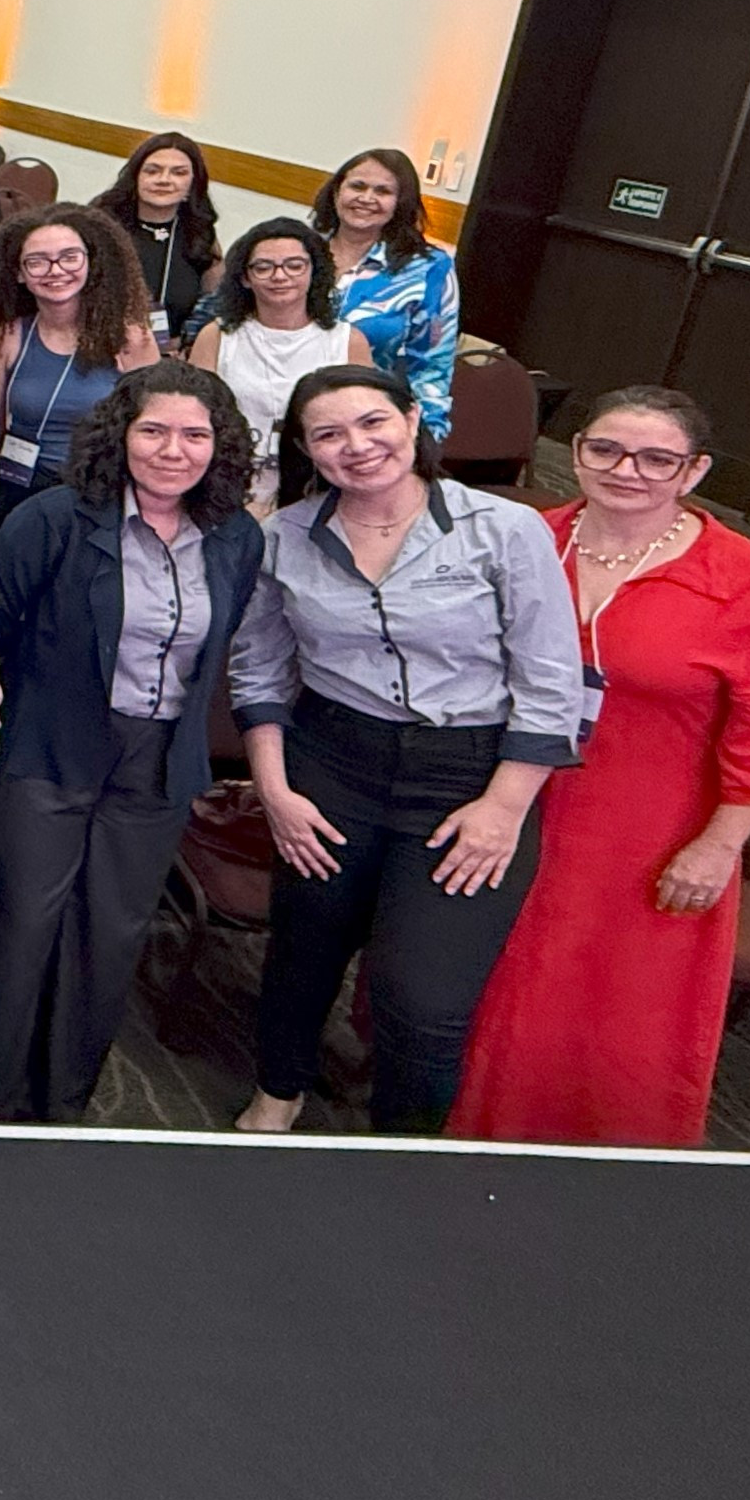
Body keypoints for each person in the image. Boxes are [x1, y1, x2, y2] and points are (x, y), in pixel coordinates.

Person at [455, 389, 750, 1147]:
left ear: (694, 472)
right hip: (503, 798)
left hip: (648, 826)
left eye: (657, 459)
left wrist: (718, 846)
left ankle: (598, 1171)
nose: (626, 471)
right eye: (605, 450)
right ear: (575, 451)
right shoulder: (523, 540)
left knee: (618, 1010)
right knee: (480, 978)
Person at [229, 363, 584, 1134]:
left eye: (372, 423)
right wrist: (274, 791)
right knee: (302, 950)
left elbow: (551, 683)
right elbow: (257, 669)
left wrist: (502, 809)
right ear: (305, 450)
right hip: (331, 759)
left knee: (422, 997)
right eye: (328, 434)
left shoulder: (504, 529)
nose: (356, 446)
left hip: (467, 778)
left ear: (412, 421)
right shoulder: (283, 537)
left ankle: (405, 1154)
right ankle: (277, 1091)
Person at [0, 363, 263, 1121]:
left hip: (157, 763)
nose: (173, 450)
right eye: (153, 430)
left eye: (194, 434)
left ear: (220, 445)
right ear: (118, 435)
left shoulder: (236, 536)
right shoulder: (51, 518)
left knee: (108, 938)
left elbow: (222, 646)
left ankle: (63, 1104)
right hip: (46, 748)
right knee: (20, 930)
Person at [0, 203, 162, 552]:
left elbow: (152, 431)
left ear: (90, 263)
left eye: (70, 257)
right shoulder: (6, 336)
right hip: (20, 488)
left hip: (98, 493)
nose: (55, 270)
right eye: (37, 262)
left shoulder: (130, 339)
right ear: (19, 274)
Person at [189, 219, 369, 509]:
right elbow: (192, 419)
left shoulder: (348, 341)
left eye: (295, 265)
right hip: (227, 487)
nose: (280, 276)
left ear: (314, 271)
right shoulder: (217, 336)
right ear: (245, 278)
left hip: (320, 489)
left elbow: (362, 424)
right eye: (263, 267)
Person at [314, 147, 458, 437]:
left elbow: (432, 367)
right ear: (336, 192)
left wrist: (426, 438)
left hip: (366, 426)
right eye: (357, 186)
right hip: (283, 411)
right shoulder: (302, 250)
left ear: (400, 204)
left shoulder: (429, 268)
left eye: (383, 191)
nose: (367, 198)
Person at [91, 132, 217, 346]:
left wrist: (186, 344)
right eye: (152, 171)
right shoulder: (99, 224)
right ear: (135, 177)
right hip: (100, 346)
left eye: (178, 173)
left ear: (193, 184)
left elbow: (214, 305)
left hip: (167, 354)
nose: (164, 180)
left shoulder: (200, 234)